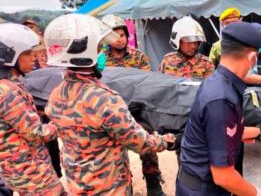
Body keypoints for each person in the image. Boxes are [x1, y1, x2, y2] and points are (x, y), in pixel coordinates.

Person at [43, 14, 175, 195]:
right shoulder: (106, 100)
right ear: (88, 54)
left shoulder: (56, 93)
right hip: (109, 186)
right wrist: (165, 141)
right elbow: (139, 142)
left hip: (78, 183)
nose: (101, 53)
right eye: (98, 48)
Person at [177, 22, 261, 196]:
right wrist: (260, 194)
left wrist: (259, 133)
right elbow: (223, 176)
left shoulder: (221, 82)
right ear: (252, 58)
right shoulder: (221, 98)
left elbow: (225, 131)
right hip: (203, 190)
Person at [0, 23, 65, 195]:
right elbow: (36, 133)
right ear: (9, 57)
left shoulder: (9, 85)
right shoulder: (8, 92)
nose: (34, 58)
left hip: (19, 167)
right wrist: (65, 122)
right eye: (27, 54)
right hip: (31, 173)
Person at [102, 14, 163, 196]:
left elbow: (147, 83)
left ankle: (153, 185)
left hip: (137, 111)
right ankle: (124, 186)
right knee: (116, 153)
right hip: (111, 114)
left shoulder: (138, 57)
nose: (120, 39)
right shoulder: (101, 59)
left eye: (122, 35)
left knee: (148, 148)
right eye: (115, 36)